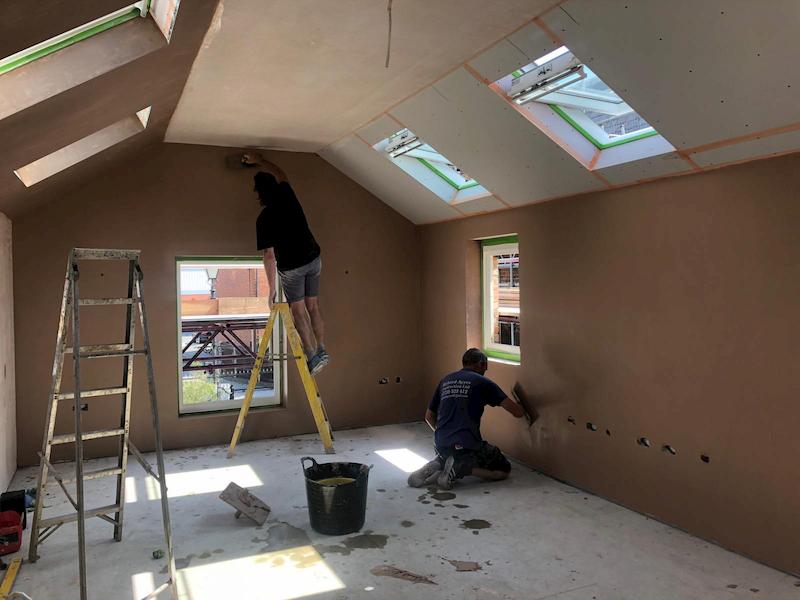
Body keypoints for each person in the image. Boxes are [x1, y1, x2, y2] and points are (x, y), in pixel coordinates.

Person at [243, 152, 329, 375]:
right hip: (313, 258)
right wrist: (259, 160)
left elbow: (269, 256)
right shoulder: (287, 194)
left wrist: (272, 289)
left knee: (298, 310)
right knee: (314, 306)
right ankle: (322, 348)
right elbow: (281, 173)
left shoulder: (263, 220)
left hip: (293, 267)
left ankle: (311, 355)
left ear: (259, 194)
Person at [408, 348, 528, 490]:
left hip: (441, 443)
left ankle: (440, 463)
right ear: (481, 364)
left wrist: (445, 435)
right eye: (485, 367)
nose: (485, 371)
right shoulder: (483, 383)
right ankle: (459, 469)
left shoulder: (446, 380)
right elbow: (518, 412)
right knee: (503, 470)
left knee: (451, 454)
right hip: (467, 445)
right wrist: (521, 405)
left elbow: (428, 416)